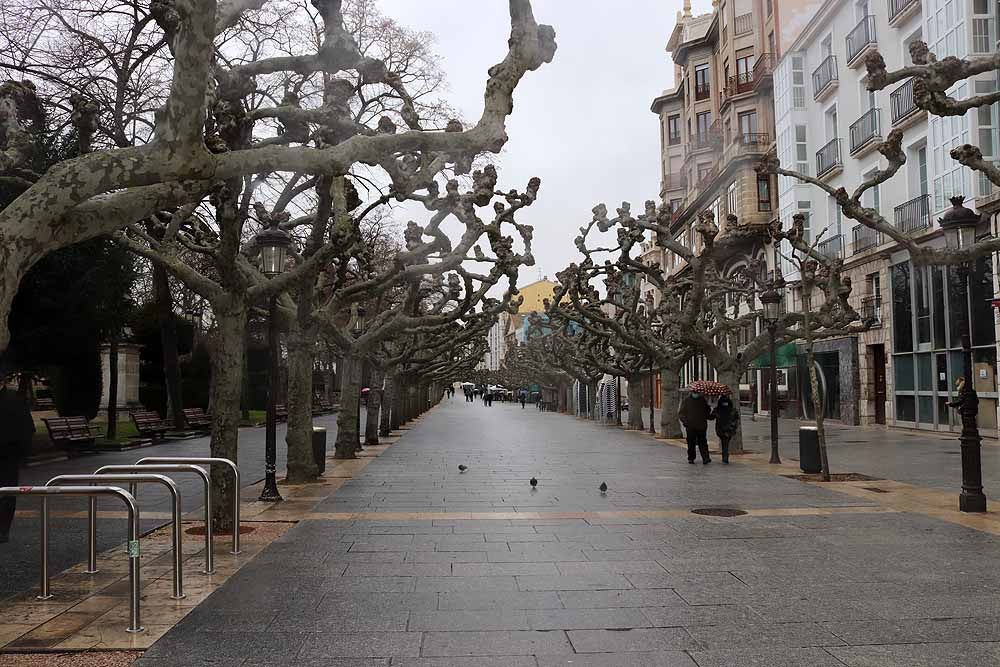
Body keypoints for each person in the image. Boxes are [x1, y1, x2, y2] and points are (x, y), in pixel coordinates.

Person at [0, 382, 36, 542]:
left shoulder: (15, 399)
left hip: (8, 455)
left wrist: (21, 453)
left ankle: (2, 529)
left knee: (7, 493)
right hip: (10, 454)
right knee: (7, 492)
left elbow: (27, 428)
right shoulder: (16, 399)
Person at [679, 389, 713, 464]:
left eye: (697, 392)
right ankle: (691, 458)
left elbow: (707, 411)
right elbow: (681, 413)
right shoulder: (686, 400)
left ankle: (705, 458)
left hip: (701, 425)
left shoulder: (702, 400)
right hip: (691, 426)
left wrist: (708, 408)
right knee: (691, 443)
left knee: (702, 442)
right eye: (695, 392)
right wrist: (686, 422)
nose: (696, 394)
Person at [711, 394, 739, 464]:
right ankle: (725, 457)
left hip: (721, 429)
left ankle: (725, 457)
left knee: (724, 443)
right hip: (729, 429)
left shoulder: (718, 409)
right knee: (725, 443)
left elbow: (711, 417)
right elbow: (736, 418)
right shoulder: (733, 410)